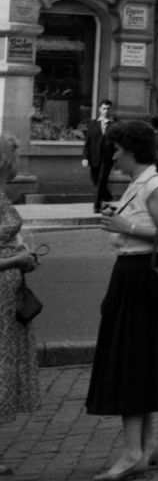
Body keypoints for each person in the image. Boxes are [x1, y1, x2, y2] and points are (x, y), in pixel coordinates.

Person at [86, 119, 158, 479]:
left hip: (142, 277)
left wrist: (127, 227)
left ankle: (131, 453)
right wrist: (121, 217)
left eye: (119, 150)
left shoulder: (153, 184)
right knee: (137, 359)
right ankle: (148, 445)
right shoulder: (141, 183)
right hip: (132, 275)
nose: (115, 156)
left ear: (132, 151)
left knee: (131, 360)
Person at [0, 132, 41, 475]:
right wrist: (15, 261)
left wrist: (23, 254)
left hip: (8, 298)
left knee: (3, 368)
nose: (18, 163)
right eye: (15, 156)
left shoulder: (2, 194)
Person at [83, 100, 116, 210]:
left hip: (107, 157)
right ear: (99, 109)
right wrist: (85, 157)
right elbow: (88, 141)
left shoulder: (115, 123)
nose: (106, 111)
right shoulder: (93, 123)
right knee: (95, 179)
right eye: (104, 108)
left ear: (111, 109)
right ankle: (107, 196)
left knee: (102, 179)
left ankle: (97, 205)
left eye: (108, 109)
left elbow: (119, 141)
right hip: (94, 156)